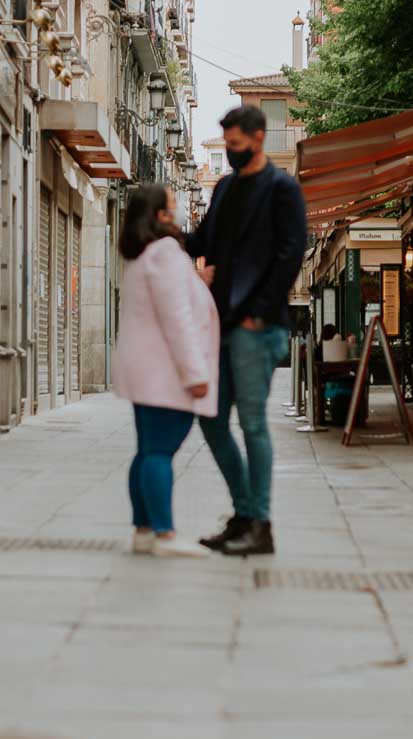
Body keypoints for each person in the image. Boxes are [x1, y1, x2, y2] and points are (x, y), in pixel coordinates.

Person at [186, 104, 308, 557]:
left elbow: (291, 253)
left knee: (253, 423)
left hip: (257, 327)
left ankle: (261, 524)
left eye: (235, 146)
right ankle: (244, 513)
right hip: (221, 325)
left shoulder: (283, 189)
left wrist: (260, 310)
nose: (231, 153)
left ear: (257, 139)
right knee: (212, 419)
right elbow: (203, 241)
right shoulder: (224, 188)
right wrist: (164, 233)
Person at [112, 184, 217, 559]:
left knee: (147, 451)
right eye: (175, 205)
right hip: (164, 372)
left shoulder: (145, 256)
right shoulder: (167, 254)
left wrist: (196, 282)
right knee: (159, 452)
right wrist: (196, 373)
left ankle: (143, 530)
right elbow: (177, 319)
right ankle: (164, 534)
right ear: (161, 215)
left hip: (145, 371)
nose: (182, 210)